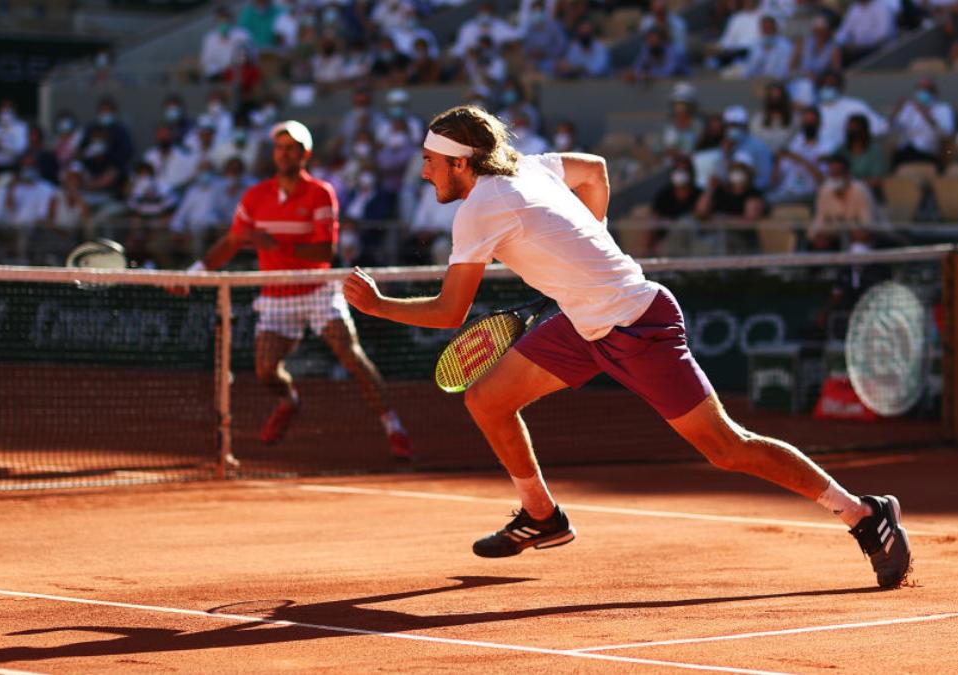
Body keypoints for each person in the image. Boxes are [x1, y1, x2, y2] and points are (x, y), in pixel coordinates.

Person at [342, 105, 911, 590]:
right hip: (584, 322)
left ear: (460, 162)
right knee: (487, 399)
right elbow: (595, 171)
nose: (423, 171)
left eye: (430, 161)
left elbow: (450, 313)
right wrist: (594, 244)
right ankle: (542, 516)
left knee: (726, 447)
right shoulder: (533, 168)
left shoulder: (479, 208)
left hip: (636, 323)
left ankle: (865, 514)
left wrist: (376, 305)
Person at [200, 121, 414, 460]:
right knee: (265, 370)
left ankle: (394, 427)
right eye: (279, 148)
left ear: (305, 154)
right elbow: (231, 242)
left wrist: (274, 244)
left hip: (317, 290)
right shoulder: (255, 196)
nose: (284, 154)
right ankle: (289, 400)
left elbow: (323, 252)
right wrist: (196, 272)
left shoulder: (320, 192)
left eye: (291, 148)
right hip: (275, 294)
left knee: (351, 356)